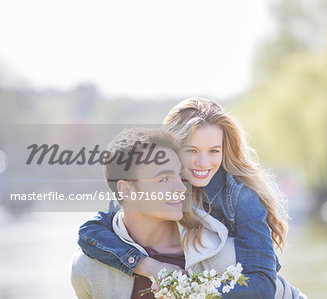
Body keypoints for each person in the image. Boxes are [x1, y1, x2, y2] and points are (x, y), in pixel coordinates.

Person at [77, 98, 294, 298]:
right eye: (192, 151)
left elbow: (262, 284)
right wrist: (147, 265)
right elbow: (90, 234)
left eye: (213, 151)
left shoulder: (241, 197)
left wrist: (192, 294)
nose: (203, 163)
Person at [71, 127, 236, 298]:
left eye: (180, 176)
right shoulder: (88, 268)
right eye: (164, 179)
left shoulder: (222, 257)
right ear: (126, 191)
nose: (181, 188)